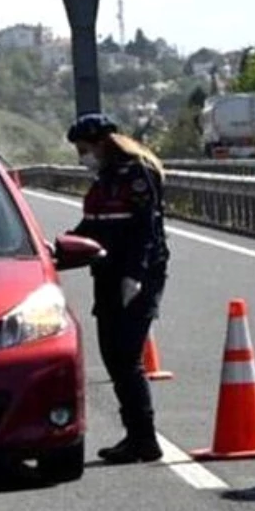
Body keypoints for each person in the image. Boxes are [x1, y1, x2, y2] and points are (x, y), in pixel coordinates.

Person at [65, 112, 169, 464]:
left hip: (137, 275)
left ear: (100, 144)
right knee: (112, 355)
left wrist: (135, 276)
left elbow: (146, 229)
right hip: (107, 274)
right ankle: (136, 437)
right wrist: (57, 250)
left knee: (126, 357)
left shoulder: (137, 173)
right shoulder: (104, 179)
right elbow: (91, 227)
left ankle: (145, 439)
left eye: (83, 149)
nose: (82, 156)